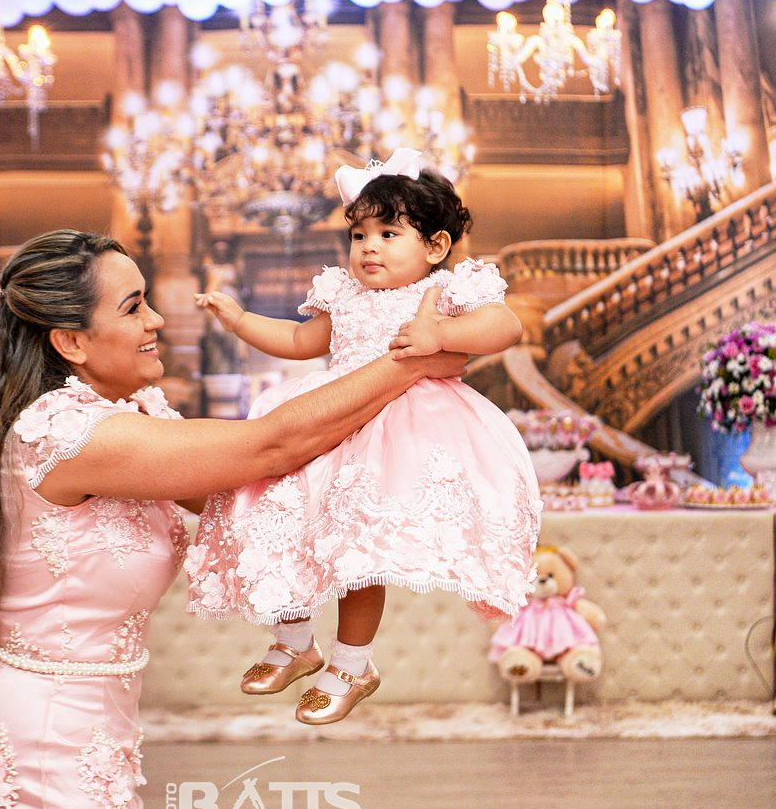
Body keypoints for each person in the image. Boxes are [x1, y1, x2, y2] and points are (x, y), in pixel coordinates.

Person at [0, 228, 472, 809]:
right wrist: (410, 362)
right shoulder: (70, 434)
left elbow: (249, 491)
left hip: (85, 738)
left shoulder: (121, 417)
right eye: (133, 307)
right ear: (71, 342)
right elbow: (268, 447)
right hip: (42, 751)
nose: (157, 320)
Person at [186, 148, 541, 725]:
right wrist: (240, 321)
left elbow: (505, 325)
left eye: (388, 233)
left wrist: (440, 334)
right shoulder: (344, 295)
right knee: (279, 512)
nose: (369, 247)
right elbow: (300, 341)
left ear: (435, 246)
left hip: (398, 433)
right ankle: (295, 642)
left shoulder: (442, 292)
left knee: (359, 548)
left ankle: (352, 664)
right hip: (331, 417)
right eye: (359, 235)